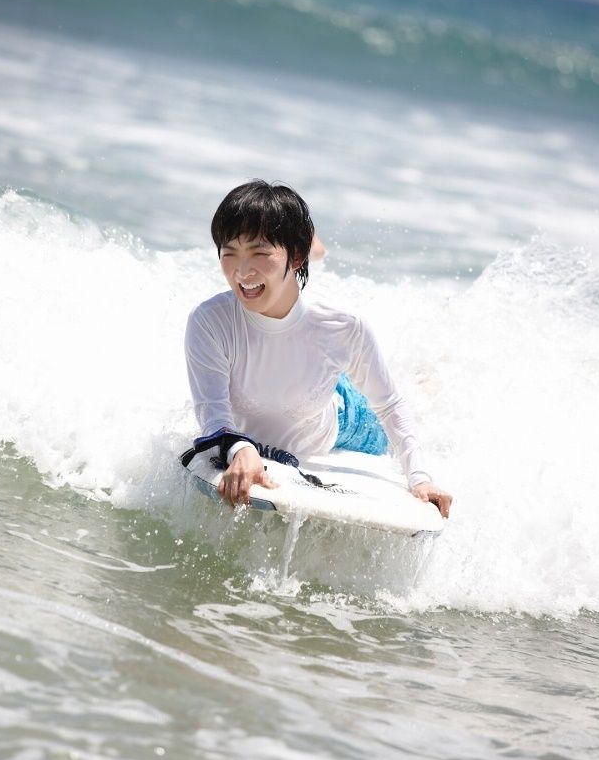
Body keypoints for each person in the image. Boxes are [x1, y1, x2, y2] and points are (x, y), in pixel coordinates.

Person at [184, 180, 452, 517]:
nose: (241, 271)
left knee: (402, 397)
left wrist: (420, 478)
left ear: (296, 256)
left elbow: (389, 405)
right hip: (308, 372)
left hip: (341, 416)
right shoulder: (209, 321)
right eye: (229, 253)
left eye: (259, 252)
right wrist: (240, 448)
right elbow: (212, 414)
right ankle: (298, 244)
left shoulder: (343, 327)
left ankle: (421, 381)